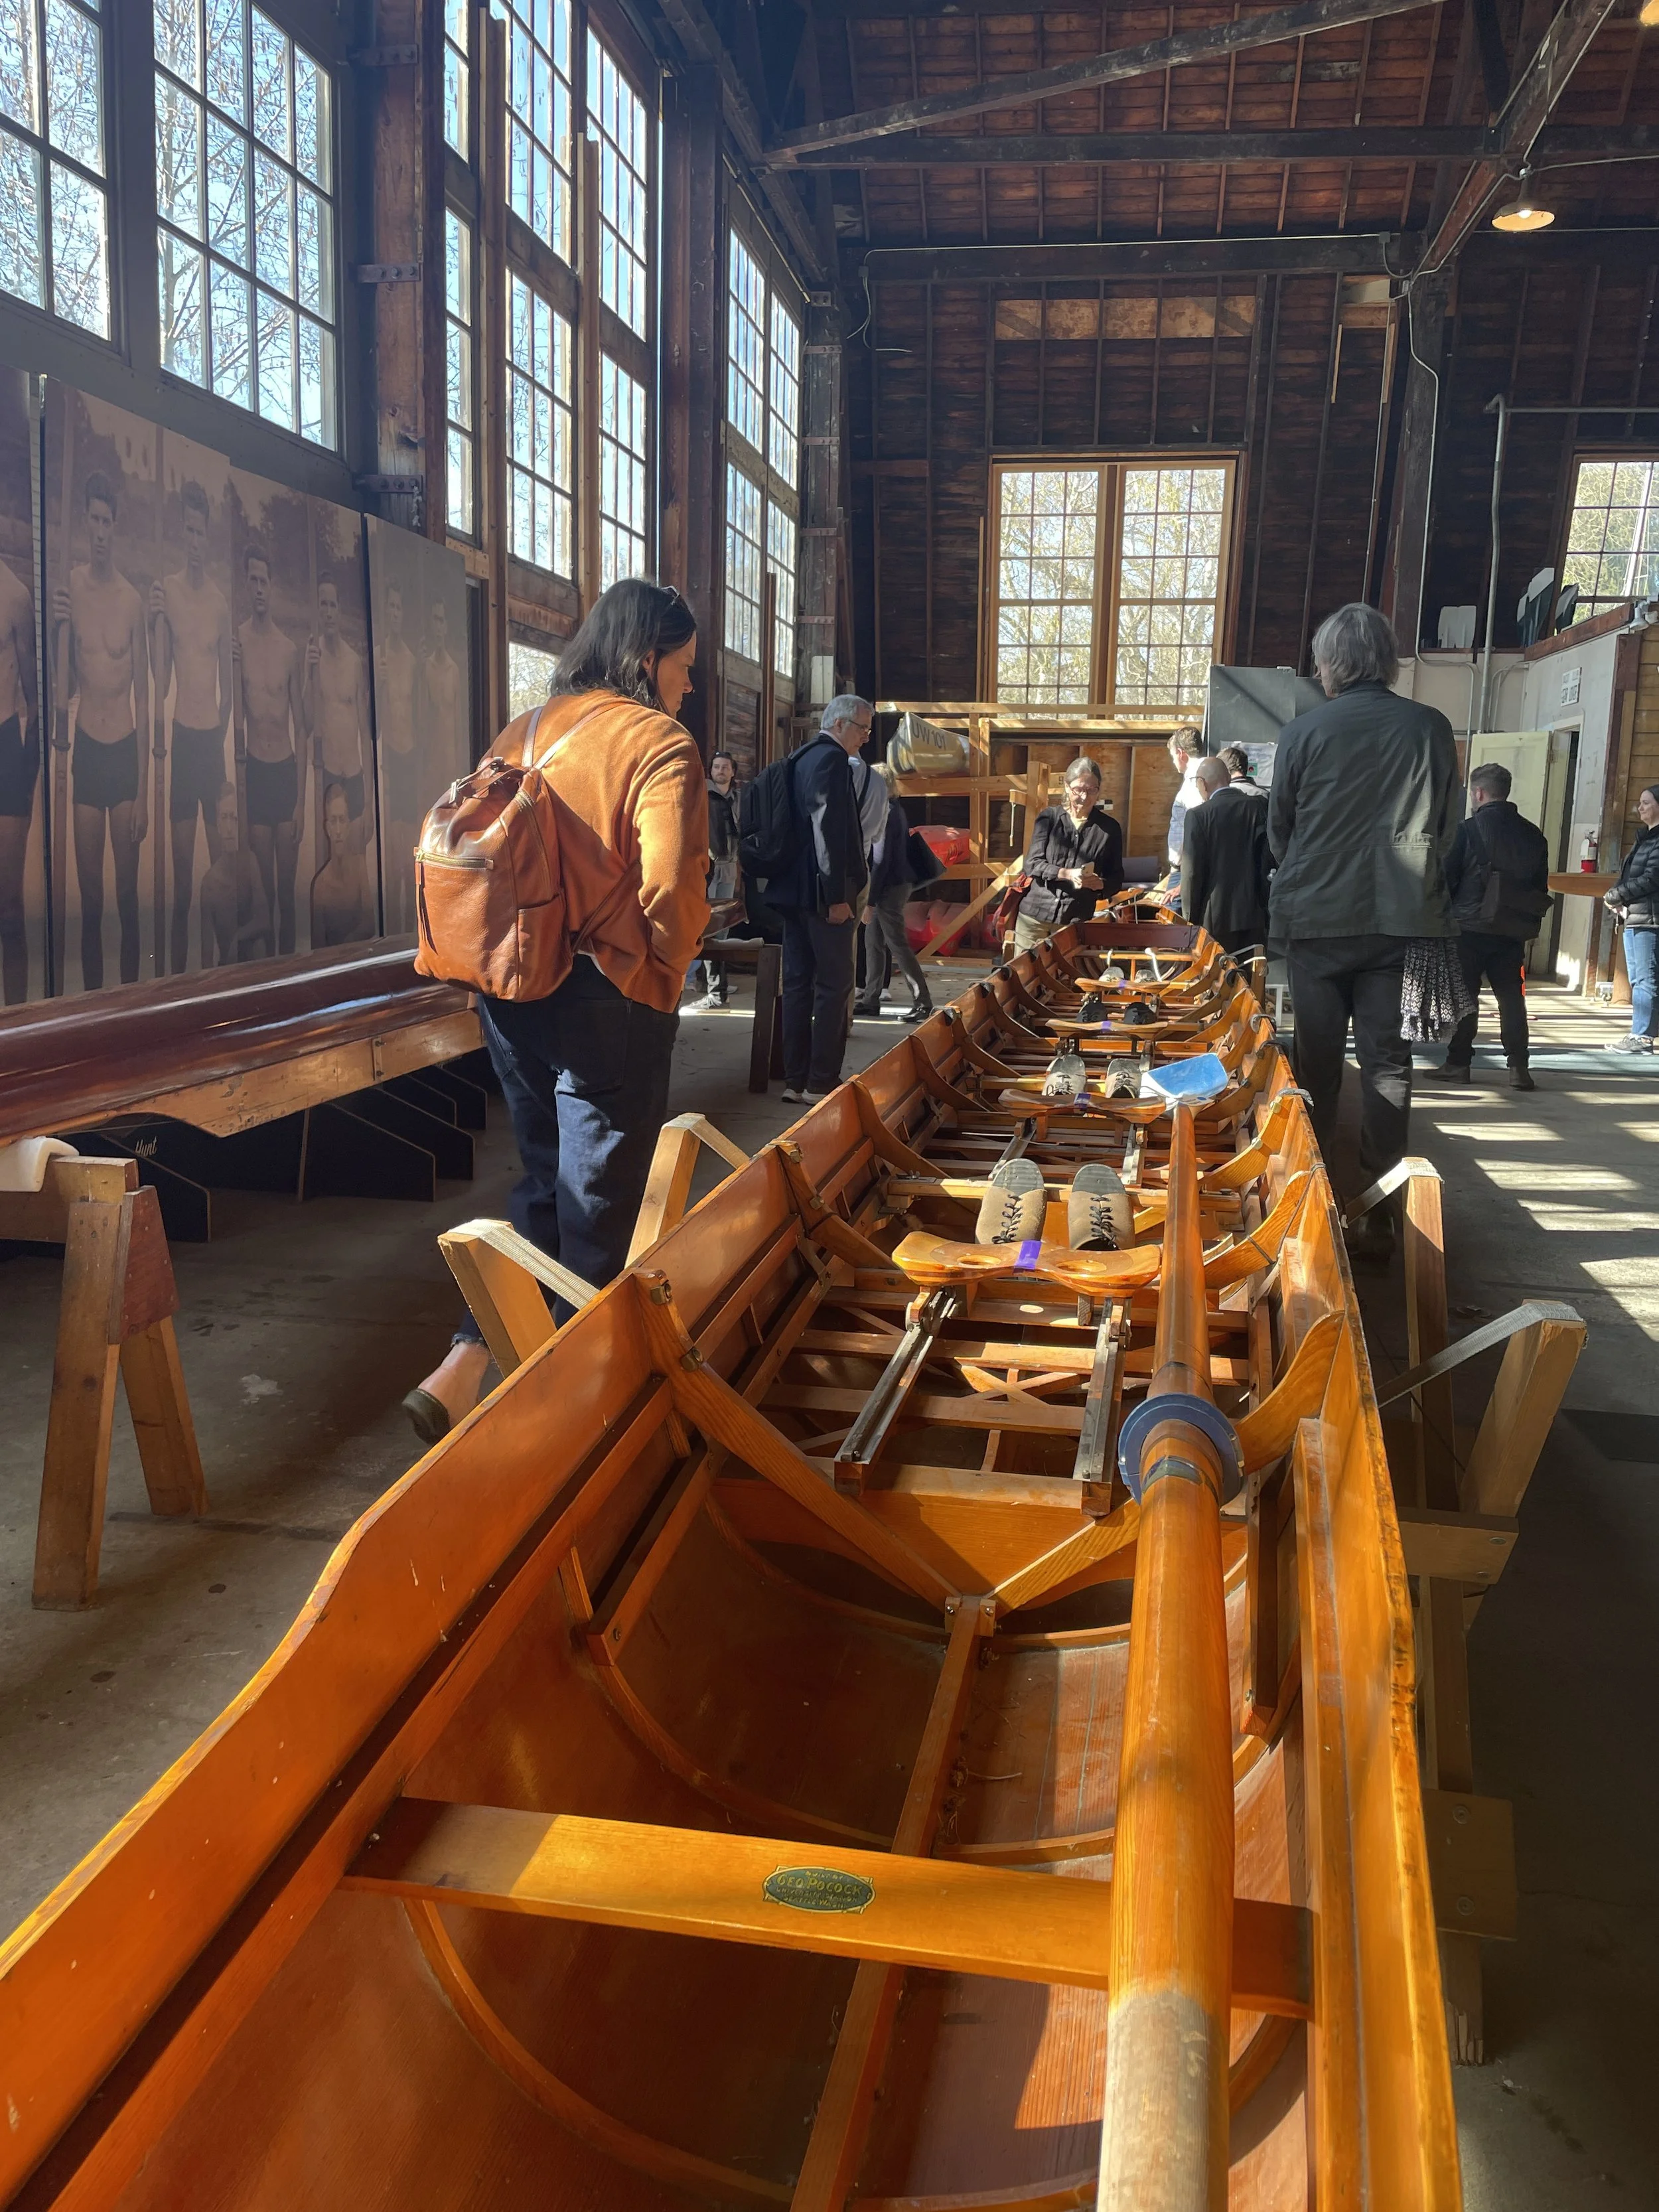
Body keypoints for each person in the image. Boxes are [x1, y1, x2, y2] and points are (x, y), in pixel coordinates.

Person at [405, 579, 708, 1442]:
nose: (689, 687)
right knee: (598, 1204)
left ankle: (467, 1360)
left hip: (507, 985)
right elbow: (670, 884)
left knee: (548, 1176)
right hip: (605, 994)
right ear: (648, 658)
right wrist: (662, 976)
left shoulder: (524, 731)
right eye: (684, 667)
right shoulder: (658, 741)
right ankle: (576, 1424)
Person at [1269, 601, 1458, 1256]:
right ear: (1387, 660)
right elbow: (1448, 829)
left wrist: (1310, 871)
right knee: (1388, 1064)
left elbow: (1279, 830)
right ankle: (1385, 1209)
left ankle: (1315, 1199)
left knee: (1315, 1062)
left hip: (1318, 919)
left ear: (1330, 664)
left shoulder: (1304, 731)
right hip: (1401, 921)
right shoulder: (1430, 728)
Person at [52, 472, 150, 990]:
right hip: (87, 748)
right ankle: (91, 1002)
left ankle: (132, 998)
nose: (99, 530)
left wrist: (145, 790)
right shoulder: (72, 590)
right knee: (90, 899)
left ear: (116, 527)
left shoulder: (132, 601)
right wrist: (55, 630)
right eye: (92, 520)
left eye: (106, 521)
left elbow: (145, 695)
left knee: (128, 896)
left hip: (125, 754)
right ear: (85, 523)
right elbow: (62, 686)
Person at [770, 694, 871, 1104]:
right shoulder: (831, 761)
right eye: (863, 728)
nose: (866, 737)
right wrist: (836, 897)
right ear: (842, 723)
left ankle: (796, 1080)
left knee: (797, 985)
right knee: (834, 985)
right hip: (821, 896)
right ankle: (821, 1082)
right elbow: (827, 829)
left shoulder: (800, 757)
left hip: (794, 893)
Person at [150, 480, 233, 974]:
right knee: (183, 880)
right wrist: (153, 621)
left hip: (210, 745)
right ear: (183, 534)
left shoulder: (220, 604)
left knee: (223, 869)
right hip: (182, 739)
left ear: (208, 535)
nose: (196, 541)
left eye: (203, 532)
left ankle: (224, 967)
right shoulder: (170, 594)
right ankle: (176, 976)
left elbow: (227, 683)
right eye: (190, 531)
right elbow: (161, 682)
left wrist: (220, 735)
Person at [1430, 762, 1551, 1090]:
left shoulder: (1466, 831)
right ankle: (1518, 1068)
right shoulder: (1533, 835)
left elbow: (1447, 881)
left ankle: (1458, 1065)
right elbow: (1539, 886)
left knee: (1465, 998)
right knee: (1512, 997)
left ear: (1479, 792)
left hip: (1468, 929)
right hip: (1511, 930)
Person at [235, 540, 307, 955]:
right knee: (264, 888)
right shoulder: (238, 643)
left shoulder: (287, 650)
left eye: (265, 580)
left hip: (284, 769)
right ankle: (270, 970)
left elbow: (301, 726)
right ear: (246, 584)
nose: (259, 587)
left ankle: (292, 969)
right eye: (253, 579)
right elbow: (233, 716)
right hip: (257, 775)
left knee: (286, 890)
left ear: (272, 586)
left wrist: (299, 803)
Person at [1012, 756, 1125, 954]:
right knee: (1024, 980)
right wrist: (1067, 874)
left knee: (1064, 981)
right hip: (1034, 918)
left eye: (1092, 790)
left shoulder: (1110, 829)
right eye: (1079, 789)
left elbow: (1116, 878)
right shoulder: (1049, 818)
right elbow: (1033, 864)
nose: (1084, 797)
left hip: (1073, 920)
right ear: (1066, 787)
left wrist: (1101, 885)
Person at [854, 759, 932, 1023]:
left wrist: (870, 901)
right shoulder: (893, 808)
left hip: (890, 887)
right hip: (892, 883)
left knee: (897, 944)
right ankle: (870, 999)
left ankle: (923, 1002)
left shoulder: (885, 812)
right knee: (872, 941)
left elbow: (880, 860)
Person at [305, 575, 372, 851]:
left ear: (340, 610)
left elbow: (365, 733)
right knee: (327, 859)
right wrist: (310, 676)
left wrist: (369, 801)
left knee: (355, 859)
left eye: (333, 605)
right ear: (318, 610)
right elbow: (307, 722)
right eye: (324, 605)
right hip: (328, 775)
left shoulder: (353, 662)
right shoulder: (312, 657)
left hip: (353, 774)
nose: (329, 612)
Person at [1182, 753, 1272, 954]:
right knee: (1252, 980)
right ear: (1229, 779)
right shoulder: (1259, 806)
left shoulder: (1198, 816)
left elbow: (1191, 873)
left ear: (1202, 783)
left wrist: (1189, 920)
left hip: (1215, 919)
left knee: (1218, 981)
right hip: (1255, 913)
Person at [0, 547, 38, 1004]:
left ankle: (18, 1024)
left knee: (8, 906)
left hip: (7, 746)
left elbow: (36, 698)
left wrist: (27, 777)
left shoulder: (15, 594)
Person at [376, 581, 421, 935]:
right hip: (388, 756)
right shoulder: (381, 660)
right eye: (388, 608)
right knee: (391, 852)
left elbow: (418, 713)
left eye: (397, 609)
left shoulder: (410, 660)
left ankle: (409, 926)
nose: (393, 614)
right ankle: (391, 929)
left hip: (410, 757)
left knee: (409, 851)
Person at [1605, 782, 1659, 1054]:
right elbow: (1630, 875)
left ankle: (1643, 1036)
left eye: (1647, 802)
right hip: (1636, 915)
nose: (1640, 807)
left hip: (1650, 918)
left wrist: (1618, 895)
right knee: (1639, 978)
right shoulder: (1645, 838)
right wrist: (1618, 895)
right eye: (1640, 802)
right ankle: (1640, 1033)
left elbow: (1651, 878)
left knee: (1646, 979)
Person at [688, 749, 739, 1008]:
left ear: (733, 771)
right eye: (717, 767)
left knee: (723, 928)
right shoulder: (702, 794)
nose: (720, 771)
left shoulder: (737, 798)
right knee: (705, 926)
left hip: (729, 867)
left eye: (725, 767)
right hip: (706, 867)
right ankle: (712, 987)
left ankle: (714, 985)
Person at [200, 782, 271, 966]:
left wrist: (238, 939)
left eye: (235, 818)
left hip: (254, 967)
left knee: (259, 946)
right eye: (225, 818)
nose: (230, 828)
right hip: (226, 970)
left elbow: (265, 920)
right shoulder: (209, 884)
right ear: (218, 824)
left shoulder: (251, 863)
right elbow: (206, 954)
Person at [309, 779, 374, 948]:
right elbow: (317, 946)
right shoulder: (320, 886)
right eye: (333, 821)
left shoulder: (360, 867)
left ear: (349, 826)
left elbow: (370, 924)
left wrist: (348, 944)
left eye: (342, 820)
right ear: (327, 827)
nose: (338, 830)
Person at [1165, 725, 1206, 885]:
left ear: (1181, 754)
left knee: (1171, 910)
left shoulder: (1194, 783)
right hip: (1191, 866)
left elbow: (1196, 828)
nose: (1174, 762)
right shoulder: (1207, 775)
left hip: (1187, 868)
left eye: (1173, 756)